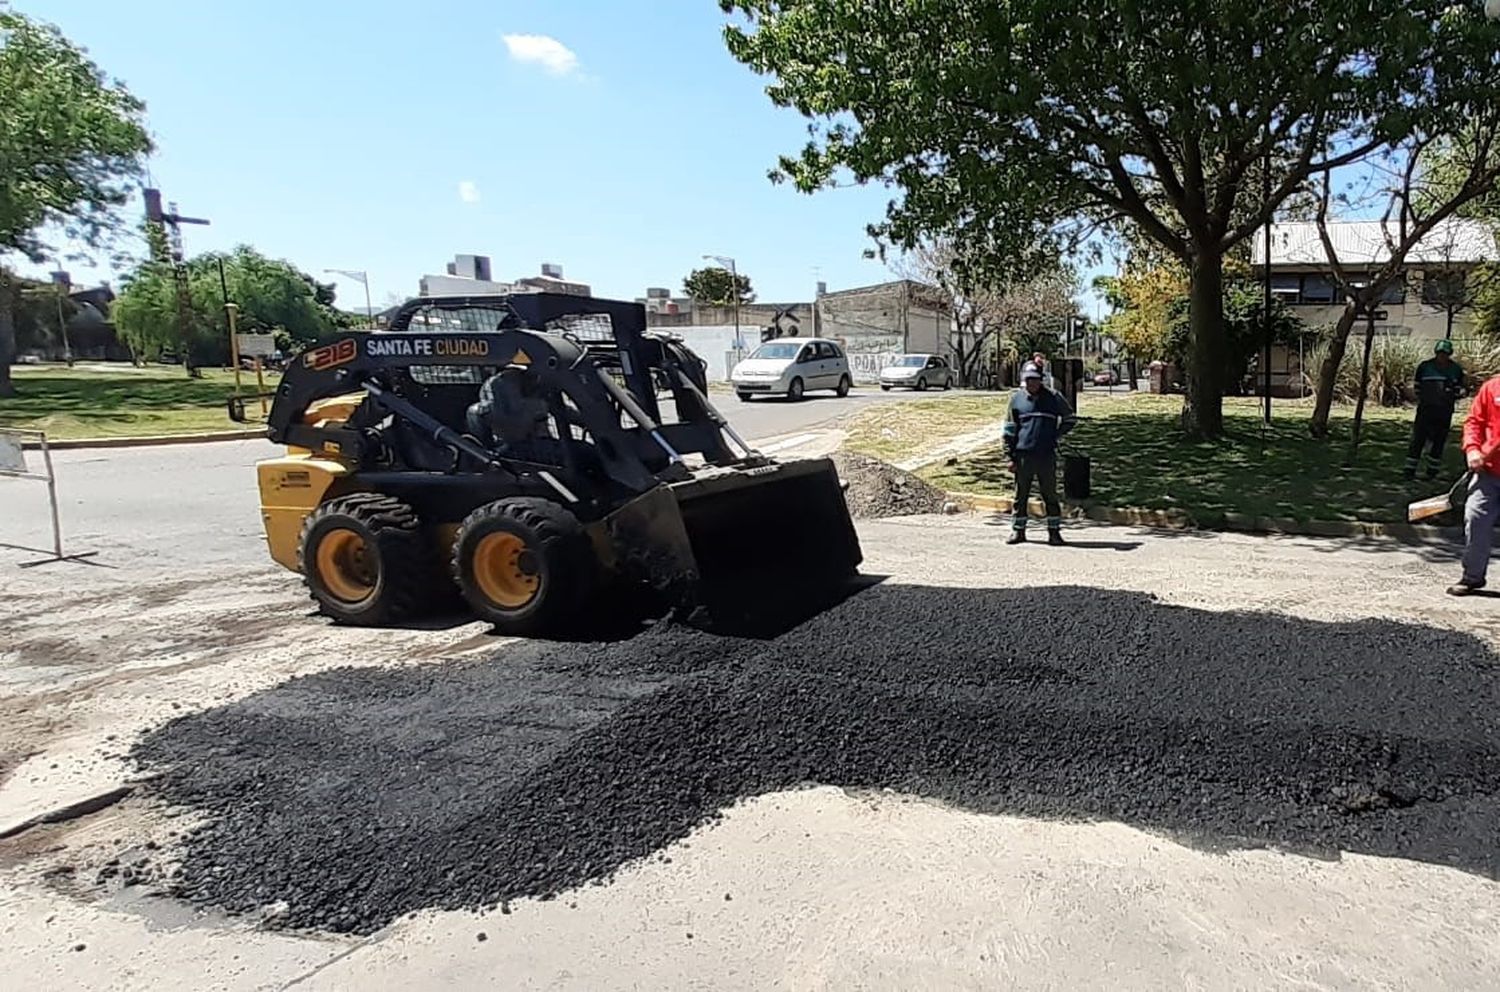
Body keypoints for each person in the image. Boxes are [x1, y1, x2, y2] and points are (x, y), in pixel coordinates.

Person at [1003, 362, 1077, 546]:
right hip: (1023, 456)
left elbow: (1070, 419)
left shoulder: (1054, 397)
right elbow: (1009, 431)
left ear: (1041, 380)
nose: (1032, 383)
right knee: (1021, 495)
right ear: (1023, 381)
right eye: (1028, 380)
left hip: (1046, 455)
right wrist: (1009, 457)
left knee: (1050, 495)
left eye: (1035, 379)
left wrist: (1056, 433)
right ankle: (1018, 531)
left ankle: (1054, 532)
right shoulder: (1016, 400)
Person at [1451, 372, 1500, 596]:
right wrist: (1472, 449)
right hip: (1488, 472)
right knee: (1475, 517)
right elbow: (1474, 422)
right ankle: (1472, 577)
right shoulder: (1492, 388)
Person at [1405, 339, 1465, 481]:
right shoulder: (1425, 367)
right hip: (1425, 409)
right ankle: (1409, 470)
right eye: (1440, 353)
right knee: (1418, 439)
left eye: (1445, 354)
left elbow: (1460, 389)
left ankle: (1431, 472)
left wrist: (1451, 397)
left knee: (1439, 440)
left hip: (1445, 411)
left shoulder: (1455, 369)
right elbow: (1417, 386)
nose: (1442, 356)